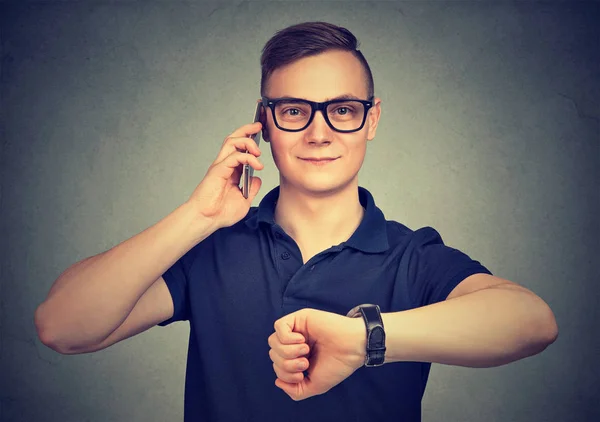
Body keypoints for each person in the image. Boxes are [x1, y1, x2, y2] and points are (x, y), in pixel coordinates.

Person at [34, 21, 558, 421]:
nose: (319, 133)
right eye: (293, 111)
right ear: (264, 122)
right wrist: (198, 215)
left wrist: (364, 339)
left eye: (343, 110)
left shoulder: (413, 258)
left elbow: (531, 322)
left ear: (370, 120)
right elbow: (63, 327)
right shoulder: (210, 250)